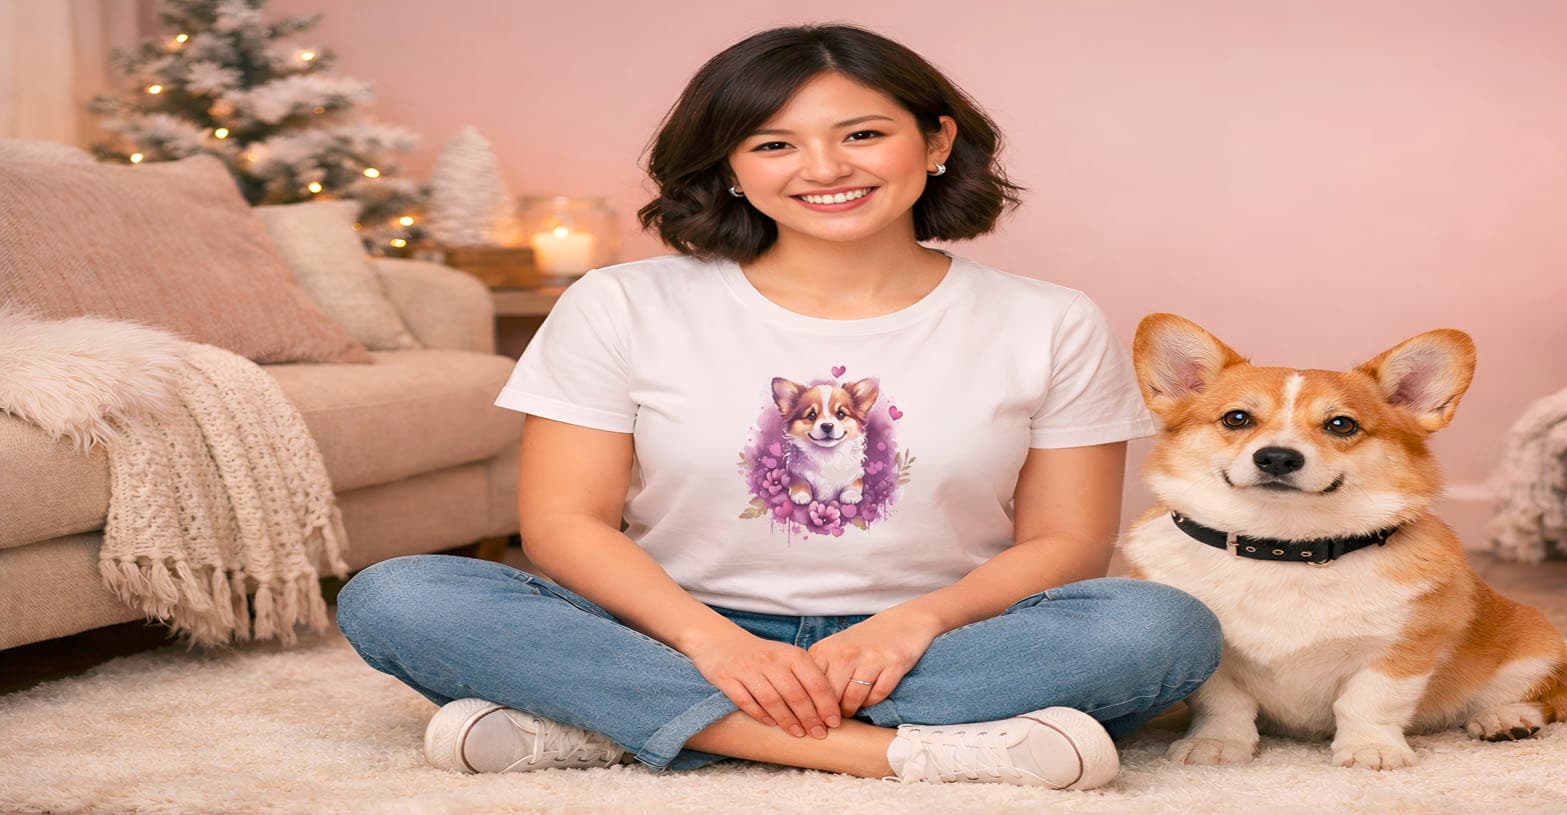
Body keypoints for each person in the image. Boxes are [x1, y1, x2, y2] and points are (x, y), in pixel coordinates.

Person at [336, 23, 1220, 791]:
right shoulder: (621, 301)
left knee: (1161, 626)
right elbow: (565, 523)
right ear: (726, 166)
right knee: (400, 594)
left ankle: (606, 724)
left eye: (863, 133)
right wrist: (716, 646)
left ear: (936, 139)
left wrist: (913, 622)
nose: (825, 169)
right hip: (670, 625)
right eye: (772, 144)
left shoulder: (1046, 318)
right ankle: (883, 755)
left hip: (940, 636)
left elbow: (1064, 543)